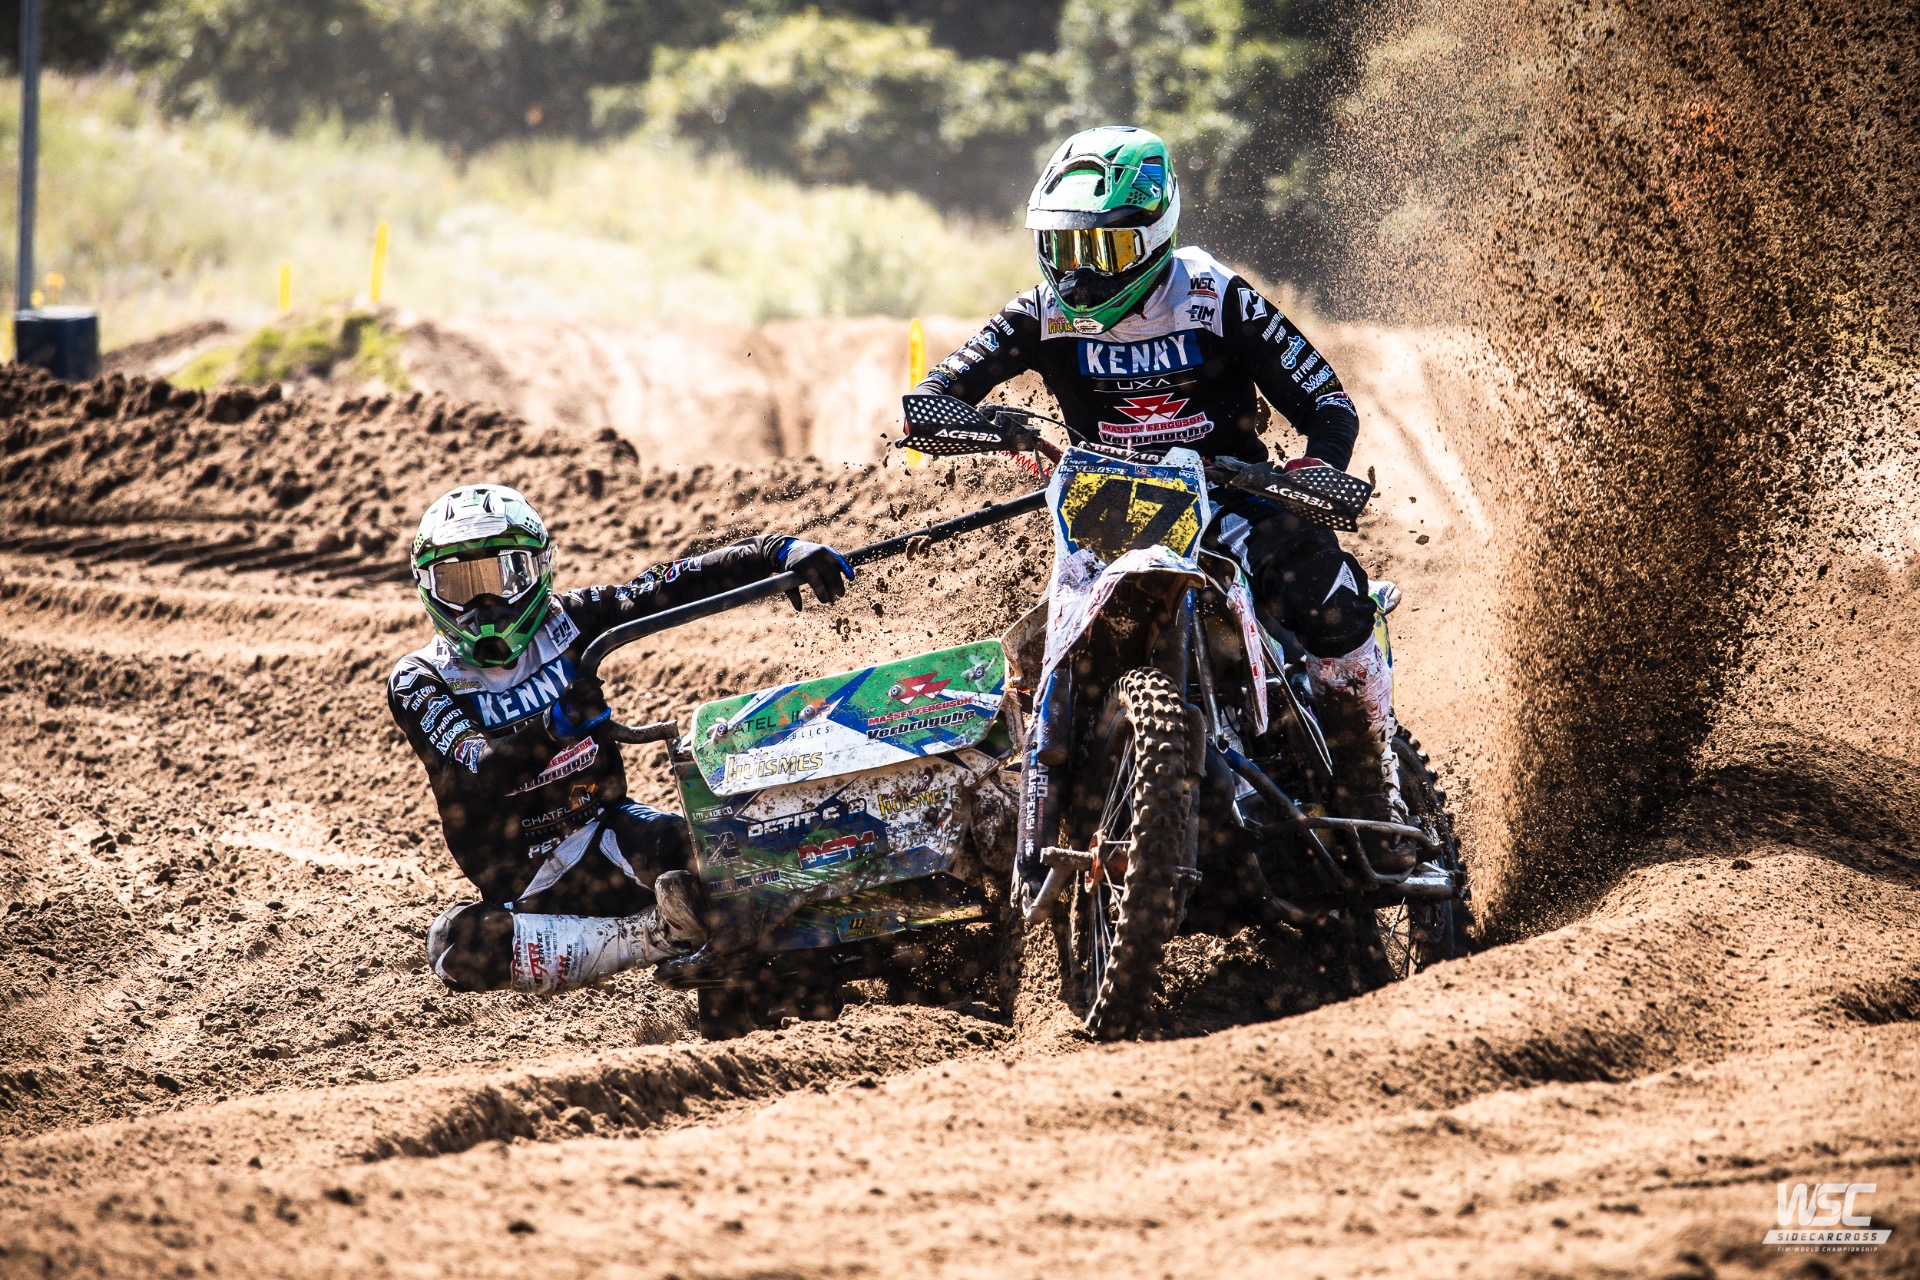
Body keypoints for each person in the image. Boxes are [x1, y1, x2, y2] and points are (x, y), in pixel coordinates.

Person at [912, 125, 1414, 872]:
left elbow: (1326, 401)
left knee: (1329, 601)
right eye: (1063, 247)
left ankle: (1377, 791)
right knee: (1039, 658)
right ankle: (1045, 836)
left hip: (1234, 500)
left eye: (1103, 249)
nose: (1081, 272)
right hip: (1106, 513)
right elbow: (928, 400)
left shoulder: (1215, 298)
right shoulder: (1041, 313)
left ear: (1154, 237)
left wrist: (1314, 469)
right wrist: (993, 425)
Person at [389, 483, 854, 993]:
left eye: (504, 576)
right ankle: (660, 934)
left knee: (718, 852)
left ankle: (813, 944)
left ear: (539, 569)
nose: (485, 605)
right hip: (525, 882)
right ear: (427, 587)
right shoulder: (418, 678)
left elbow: (666, 585)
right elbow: (477, 769)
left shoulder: (569, 620)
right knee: (457, 946)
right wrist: (555, 727)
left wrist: (776, 551)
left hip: (609, 833)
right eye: (459, 584)